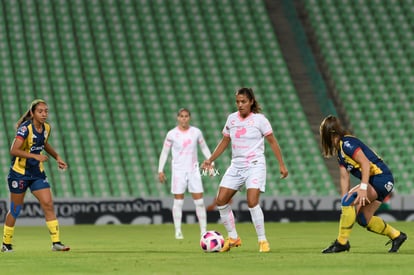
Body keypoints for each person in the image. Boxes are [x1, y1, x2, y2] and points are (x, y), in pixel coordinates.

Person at [202, 87, 288, 253]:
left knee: (252, 201)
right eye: (237, 102)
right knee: (220, 201)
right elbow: (225, 141)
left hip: (255, 165)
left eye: (243, 102)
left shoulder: (260, 120)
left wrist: (281, 164)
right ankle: (233, 237)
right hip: (236, 165)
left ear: (251, 102)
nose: (240, 105)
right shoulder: (231, 119)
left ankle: (262, 241)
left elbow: (272, 141)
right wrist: (210, 159)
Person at [319, 115, 407, 253]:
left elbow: (365, 163)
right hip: (380, 181)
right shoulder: (340, 152)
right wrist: (344, 202)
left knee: (349, 201)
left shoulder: (347, 143)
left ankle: (342, 243)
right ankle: (397, 236)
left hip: (380, 178)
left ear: (326, 133)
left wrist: (363, 188)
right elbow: (344, 177)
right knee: (363, 219)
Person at [2, 99, 70, 252]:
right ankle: (6, 244)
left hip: (37, 174)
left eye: (46, 111)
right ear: (32, 113)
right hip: (19, 174)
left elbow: (44, 143)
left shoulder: (46, 128)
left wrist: (57, 157)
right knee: (15, 209)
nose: (44, 114)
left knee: (48, 204)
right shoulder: (25, 129)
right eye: (40, 111)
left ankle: (56, 243)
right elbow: (14, 150)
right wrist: (35, 156)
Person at [158, 108, 213, 239]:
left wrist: (211, 163)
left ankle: (203, 231)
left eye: (186, 116)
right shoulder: (171, 134)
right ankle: (178, 231)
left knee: (199, 201)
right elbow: (164, 152)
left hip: (193, 170)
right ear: (178, 118)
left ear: (189, 117)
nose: (184, 118)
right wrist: (160, 169)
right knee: (178, 202)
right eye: (181, 116)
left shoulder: (196, 132)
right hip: (178, 171)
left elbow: (204, 147)